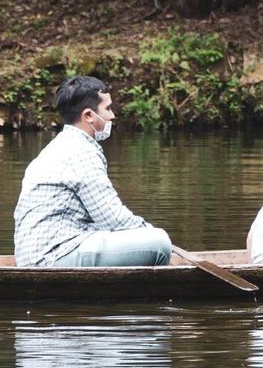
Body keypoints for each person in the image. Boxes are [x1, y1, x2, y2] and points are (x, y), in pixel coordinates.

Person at [13, 76, 172, 267]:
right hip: (52, 255)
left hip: (41, 252)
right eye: (108, 108)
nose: (112, 116)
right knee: (159, 243)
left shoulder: (63, 145)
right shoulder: (80, 152)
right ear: (88, 115)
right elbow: (112, 218)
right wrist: (147, 231)